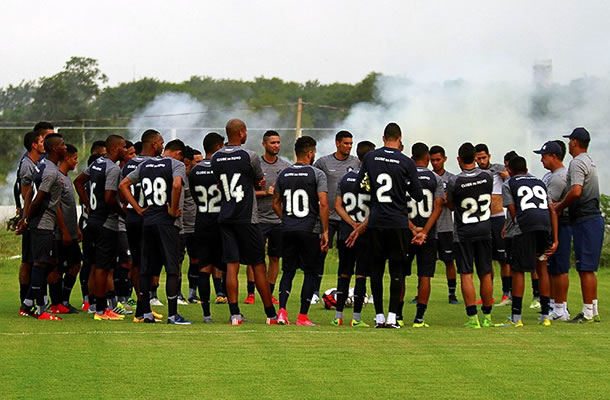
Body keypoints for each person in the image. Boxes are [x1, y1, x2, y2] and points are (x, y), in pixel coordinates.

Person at [348, 122, 423, 328]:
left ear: (383, 138)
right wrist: (403, 183)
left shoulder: (371, 157)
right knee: (397, 270)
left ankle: (379, 316)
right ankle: (392, 317)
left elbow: (358, 187)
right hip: (398, 221)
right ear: (400, 139)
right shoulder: (406, 162)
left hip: (376, 220)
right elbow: (417, 194)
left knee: (376, 269)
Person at [210, 118, 278, 325]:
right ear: (241, 133)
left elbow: (220, 183)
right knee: (258, 265)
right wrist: (258, 183)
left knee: (231, 265)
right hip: (247, 217)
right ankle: (270, 314)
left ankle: (235, 314)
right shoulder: (250, 156)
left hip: (226, 215)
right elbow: (259, 178)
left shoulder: (216, 157)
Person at [120, 139, 192, 325]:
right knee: (172, 268)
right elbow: (176, 185)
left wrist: (137, 208)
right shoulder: (176, 164)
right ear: (177, 153)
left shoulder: (145, 165)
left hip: (148, 218)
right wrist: (173, 209)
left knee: (145, 268)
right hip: (166, 220)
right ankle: (173, 315)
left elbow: (123, 185)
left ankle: (146, 313)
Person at [273, 136, 329, 326]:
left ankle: (281, 312)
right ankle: (302, 317)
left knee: (287, 271)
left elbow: (275, 204)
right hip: (309, 229)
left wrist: (286, 219)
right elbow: (323, 203)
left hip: (288, 228)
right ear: (311, 153)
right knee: (310, 272)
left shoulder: (283, 174)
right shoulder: (317, 174)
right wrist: (325, 230)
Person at [74, 135, 127, 321]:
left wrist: (88, 205)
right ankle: (101, 310)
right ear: (114, 148)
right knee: (104, 267)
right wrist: (123, 214)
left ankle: (96, 306)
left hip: (92, 222)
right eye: (123, 147)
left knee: (95, 265)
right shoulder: (112, 169)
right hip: (106, 223)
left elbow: (78, 181)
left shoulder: (97, 164)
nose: (125, 149)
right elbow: (109, 198)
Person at [554, 127, 603, 323]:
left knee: (585, 268)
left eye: (570, 141)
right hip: (592, 218)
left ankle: (588, 311)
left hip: (585, 217)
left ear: (575, 142)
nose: (568, 144)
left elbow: (575, 191)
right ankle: (594, 308)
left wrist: (559, 206)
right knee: (588, 267)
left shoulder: (576, 162)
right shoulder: (589, 160)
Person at [502, 156, 558, 327]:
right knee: (542, 268)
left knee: (518, 270)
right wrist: (555, 239)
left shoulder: (509, 183)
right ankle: (546, 315)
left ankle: (517, 318)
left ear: (510, 171)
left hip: (525, 227)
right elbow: (552, 210)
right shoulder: (539, 182)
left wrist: (515, 230)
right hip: (544, 225)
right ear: (526, 169)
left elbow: (513, 211)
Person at [18, 133, 67, 320]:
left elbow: (30, 192)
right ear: (55, 148)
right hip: (42, 223)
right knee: (40, 264)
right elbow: (38, 198)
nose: (65, 147)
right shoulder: (50, 171)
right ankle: (40, 310)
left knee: (44, 263)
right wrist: (27, 219)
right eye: (62, 145)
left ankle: (28, 304)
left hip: (41, 223)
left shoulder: (43, 165)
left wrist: (25, 218)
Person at [446, 142, 494, 329]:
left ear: (458, 159)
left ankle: (473, 317)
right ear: (475, 157)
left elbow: (450, 205)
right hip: (484, 228)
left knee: (466, 273)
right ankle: (488, 317)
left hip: (464, 231)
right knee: (485, 272)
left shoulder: (454, 181)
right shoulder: (487, 176)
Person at [311, 131, 360, 304]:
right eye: (346, 143)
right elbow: (312, 182)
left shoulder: (356, 162)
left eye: (351, 143)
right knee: (320, 254)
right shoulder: (323, 162)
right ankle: (314, 291)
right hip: (328, 217)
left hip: (348, 218)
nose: (349, 146)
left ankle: (346, 291)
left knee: (347, 255)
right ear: (337, 143)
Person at [121, 130, 165, 321]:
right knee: (150, 262)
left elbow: (121, 188)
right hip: (150, 216)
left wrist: (134, 207)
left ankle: (142, 304)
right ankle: (144, 306)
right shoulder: (157, 164)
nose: (163, 146)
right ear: (154, 144)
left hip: (132, 216)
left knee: (138, 263)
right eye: (161, 142)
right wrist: (141, 208)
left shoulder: (129, 164)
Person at [246, 130, 291, 305]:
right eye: (273, 143)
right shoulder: (256, 166)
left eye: (278, 142)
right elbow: (248, 192)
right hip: (258, 218)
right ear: (264, 145)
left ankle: (270, 292)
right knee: (255, 257)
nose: (276, 146)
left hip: (278, 220)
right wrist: (264, 192)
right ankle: (251, 293)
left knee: (274, 257)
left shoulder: (286, 167)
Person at [332, 141, 375, 327]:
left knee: (343, 274)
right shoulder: (373, 179)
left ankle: (338, 317)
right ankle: (356, 318)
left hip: (345, 233)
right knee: (361, 275)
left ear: (357, 156)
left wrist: (351, 225)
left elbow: (337, 206)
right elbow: (375, 208)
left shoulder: (346, 178)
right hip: (364, 234)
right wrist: (360, 227)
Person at [403, 143, 445, 328]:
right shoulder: (435, 178)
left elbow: (398, 205)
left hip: (407, 232)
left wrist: (413, 229)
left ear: (412, 158)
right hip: (429, 233)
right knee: (425, 275)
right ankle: (419, 318)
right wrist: (425, 231)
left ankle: (397, 315)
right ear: (427, 157)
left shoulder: (404, 177)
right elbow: (438, 206)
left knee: (400, 274)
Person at [189, 132, 226, 322]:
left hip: (202, 221)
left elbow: (195, 197)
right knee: (227, 265)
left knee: (203, 268)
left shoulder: (194, 170)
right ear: (218, 148)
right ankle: (234, 312)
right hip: (221, 221)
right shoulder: (222, 167)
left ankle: (206, 314)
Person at [474, 143, 513, 306]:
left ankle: (507, 293)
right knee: (486, 259)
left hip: (498, 219)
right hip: (482, 219)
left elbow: (511, 182)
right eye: (478, 158)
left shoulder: (497, 170)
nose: (481, 161)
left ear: (489, 156)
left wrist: (504, 175)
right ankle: (487, 295)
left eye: (483, 157)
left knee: (503, 259)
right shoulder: (474, 173)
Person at [536, 140, 571, 320]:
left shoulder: (559, 177)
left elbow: (550, 206)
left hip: (561, 224)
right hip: (551, 225)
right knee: (550, 267)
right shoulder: (549, 176)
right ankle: (551, 304)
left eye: (544, 156)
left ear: (554, 157)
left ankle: (560, 308)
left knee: (559, 268)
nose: (541, 160)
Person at [15, 131, 45, 307]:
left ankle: (34, 297)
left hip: (36, 217)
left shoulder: (39, 162)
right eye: (42, 141)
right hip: (31, 218)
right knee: (28, 260)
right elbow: (26, 194)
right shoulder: (27, 165)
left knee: (36, 259)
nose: (44, 144)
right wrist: (25, 219)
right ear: (34, 145)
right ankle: (24, 298)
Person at [52, 144, 82, 314]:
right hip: (59, 234)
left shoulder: (67, 178)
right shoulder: (57, 178)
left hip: (70, 232)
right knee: (56, 268)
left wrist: (76, 228)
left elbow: (69, 206)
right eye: (75, 158)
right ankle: (55, 303)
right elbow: (56, 207)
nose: (76, 162)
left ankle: (64, 300)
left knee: (75, 263)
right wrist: (63, 231)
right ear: (67, 158)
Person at [429, 145, 460, 304]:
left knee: (449, 260)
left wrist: (447, 199)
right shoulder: (426, 178)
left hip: (446, 226)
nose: (435, 163)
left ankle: (452, 293)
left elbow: (453, 206)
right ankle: (420, 293)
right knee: (426, 261)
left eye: (438, 160)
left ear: (444, 159)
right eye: (432, 160)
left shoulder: (452, 179)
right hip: (429, 227)